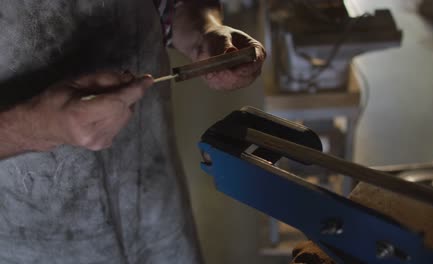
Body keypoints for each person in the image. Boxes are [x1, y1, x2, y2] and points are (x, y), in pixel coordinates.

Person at [0, 0, 265, 263]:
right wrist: (32, 128)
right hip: (30, 238)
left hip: (157, 208)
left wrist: (204, 31)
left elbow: (169, 7)